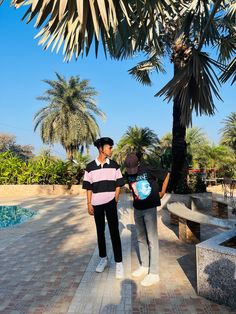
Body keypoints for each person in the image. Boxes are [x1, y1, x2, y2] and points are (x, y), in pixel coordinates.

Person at [124, 152, 170, 286]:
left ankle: (154, 273)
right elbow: (132, 187)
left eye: (134, 168)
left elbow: (166, 174)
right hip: (137, 209)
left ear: (138, 164)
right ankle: (144, 266)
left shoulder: (148, 168)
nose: (132, 172)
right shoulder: (128, 172)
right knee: (140, 238)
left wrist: (162, 191)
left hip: (150, 209)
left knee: (152, 239)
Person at [82, 137, 125, 279]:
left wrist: (115, 199)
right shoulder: (90, 167)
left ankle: (119, 263)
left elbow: (119, 183)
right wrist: (89, 204)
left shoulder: (114, 165)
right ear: (101, 149)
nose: (111, 149)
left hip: (111, 202)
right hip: (96, 204)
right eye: (109, 147)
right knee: (100, 231)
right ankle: (103, 259)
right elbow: (88, 187)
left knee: (114, 232)